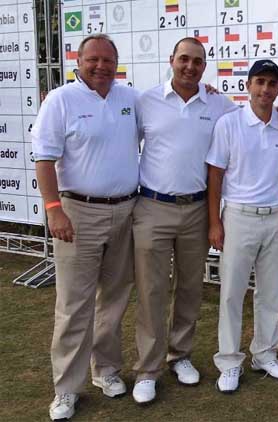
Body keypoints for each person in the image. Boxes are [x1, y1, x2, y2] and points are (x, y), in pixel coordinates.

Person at [32, 34, 139, 421]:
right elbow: (44, 159)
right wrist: (54, 210)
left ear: (116, 63)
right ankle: (66, 388)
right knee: (74, 305)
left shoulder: (129, 99)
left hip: (126, 211)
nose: (100, 66)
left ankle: (106, 371)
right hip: (78, 213)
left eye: (108, 60)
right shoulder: (61, 100)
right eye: (92, 60)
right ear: (78, 61)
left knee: (114, 298)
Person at [130, 37, 239, 404]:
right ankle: (148, 369)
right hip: (152, 207)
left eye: (197, 62)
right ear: (171, 60)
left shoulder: (218, 104)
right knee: (152, 292)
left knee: (191, 288)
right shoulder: (145, 102)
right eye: (184, 60)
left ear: (205, 67)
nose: (190, 67)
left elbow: (253, 116)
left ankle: (180, 355)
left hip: (196, 210)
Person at [206, 59, 278, 394]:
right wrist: (214, 221)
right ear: (248, 85)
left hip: (275, 216)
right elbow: (215, 174)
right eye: (259, 82)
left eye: (271, 84)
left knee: (271, 291)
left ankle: (265, 353)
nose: (265, 89)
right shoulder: (229, 124)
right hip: (239, 217)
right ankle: (230, 361)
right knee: (232, 293)